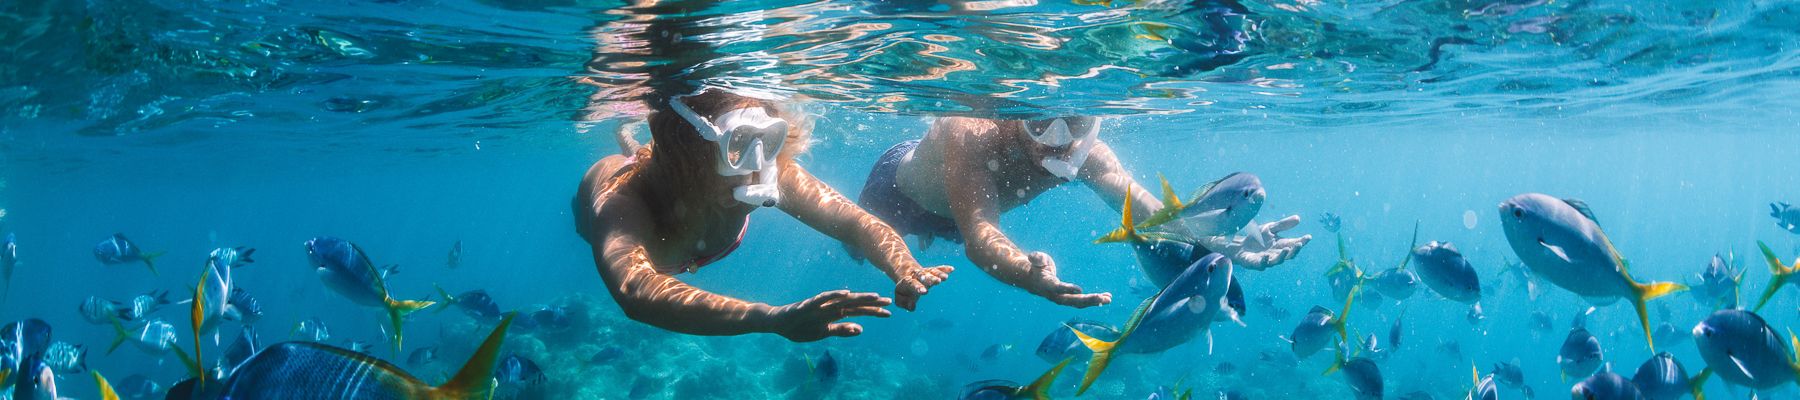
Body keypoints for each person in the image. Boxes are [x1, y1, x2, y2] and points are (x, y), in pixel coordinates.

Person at [573, 90, 954, 342]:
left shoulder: (766, 167)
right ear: (688, 156)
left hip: (672, 183)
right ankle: (628, 142)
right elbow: (634, 291)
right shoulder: (622, 204)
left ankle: (636, 141)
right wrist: (770, 318)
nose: (758, 166)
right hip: (607, 182)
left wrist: (902, 265)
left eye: (768, 140)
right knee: (585, 223)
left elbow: (854, 220)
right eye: (737, 144)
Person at [858, 116, 1309, 308]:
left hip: (952, 218)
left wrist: (1218, 236)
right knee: (856, 246)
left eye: (1074, 122)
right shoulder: (971, 134)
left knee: (939, 234)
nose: (1057, 140)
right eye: (1041, 122)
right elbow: (979, 232)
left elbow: (1145, 209)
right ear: (1016, 113)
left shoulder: (1088, 154)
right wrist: (1024, 272)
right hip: (895, 193)